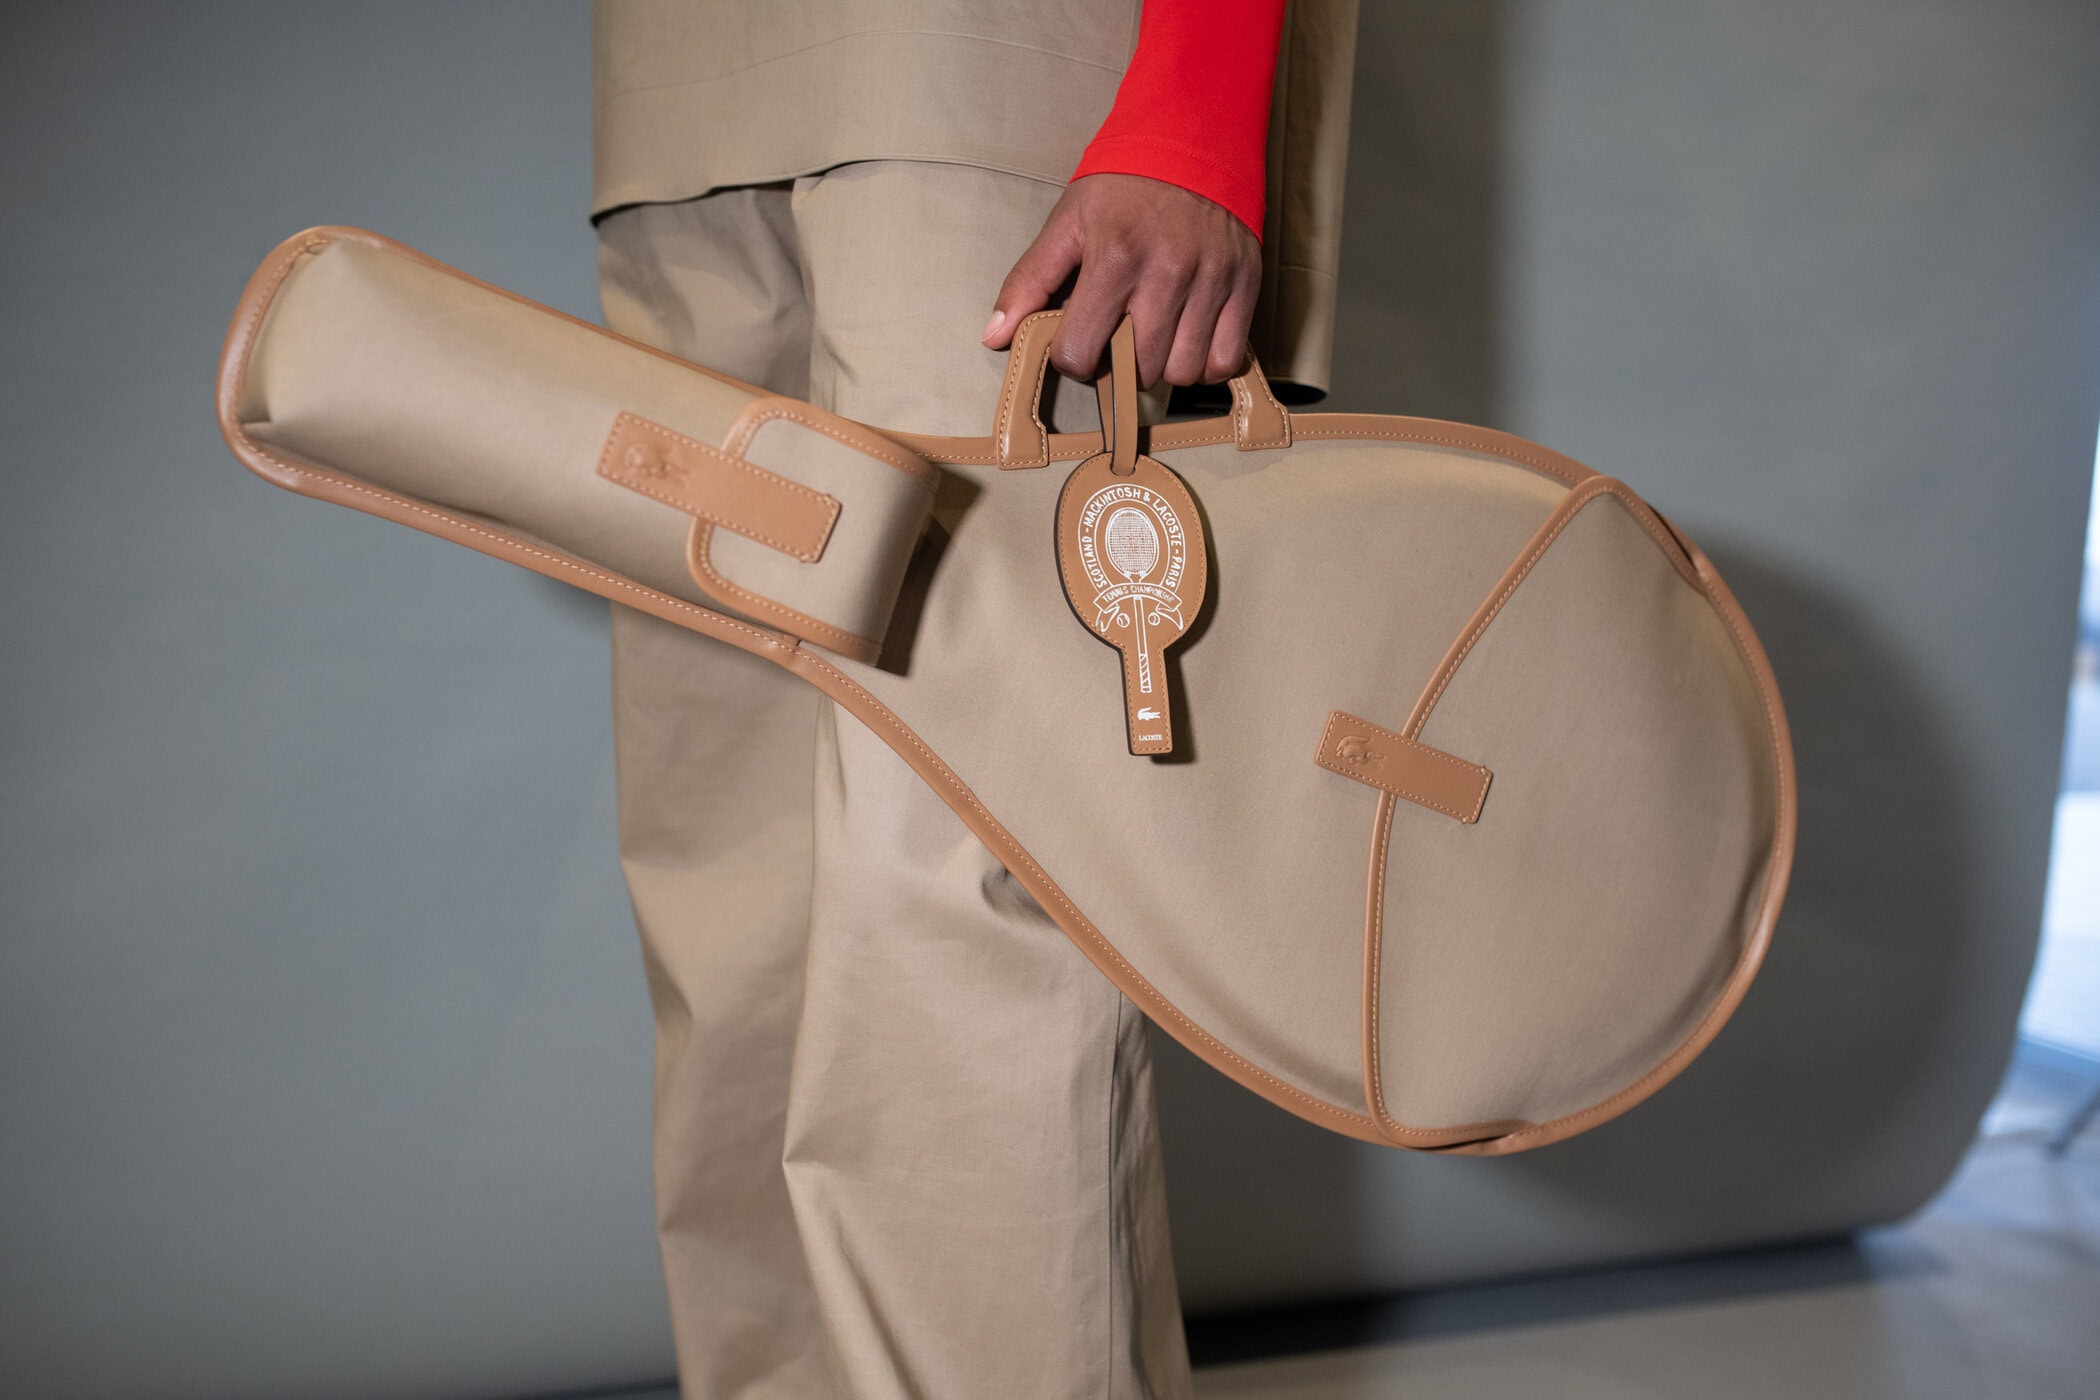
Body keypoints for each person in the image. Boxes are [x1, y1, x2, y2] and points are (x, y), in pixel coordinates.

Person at [589, 3, 1357, 1395]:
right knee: (732, 875)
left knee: (966, 864)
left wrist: (1198, 91)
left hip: (987, 63)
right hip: (680, 102)